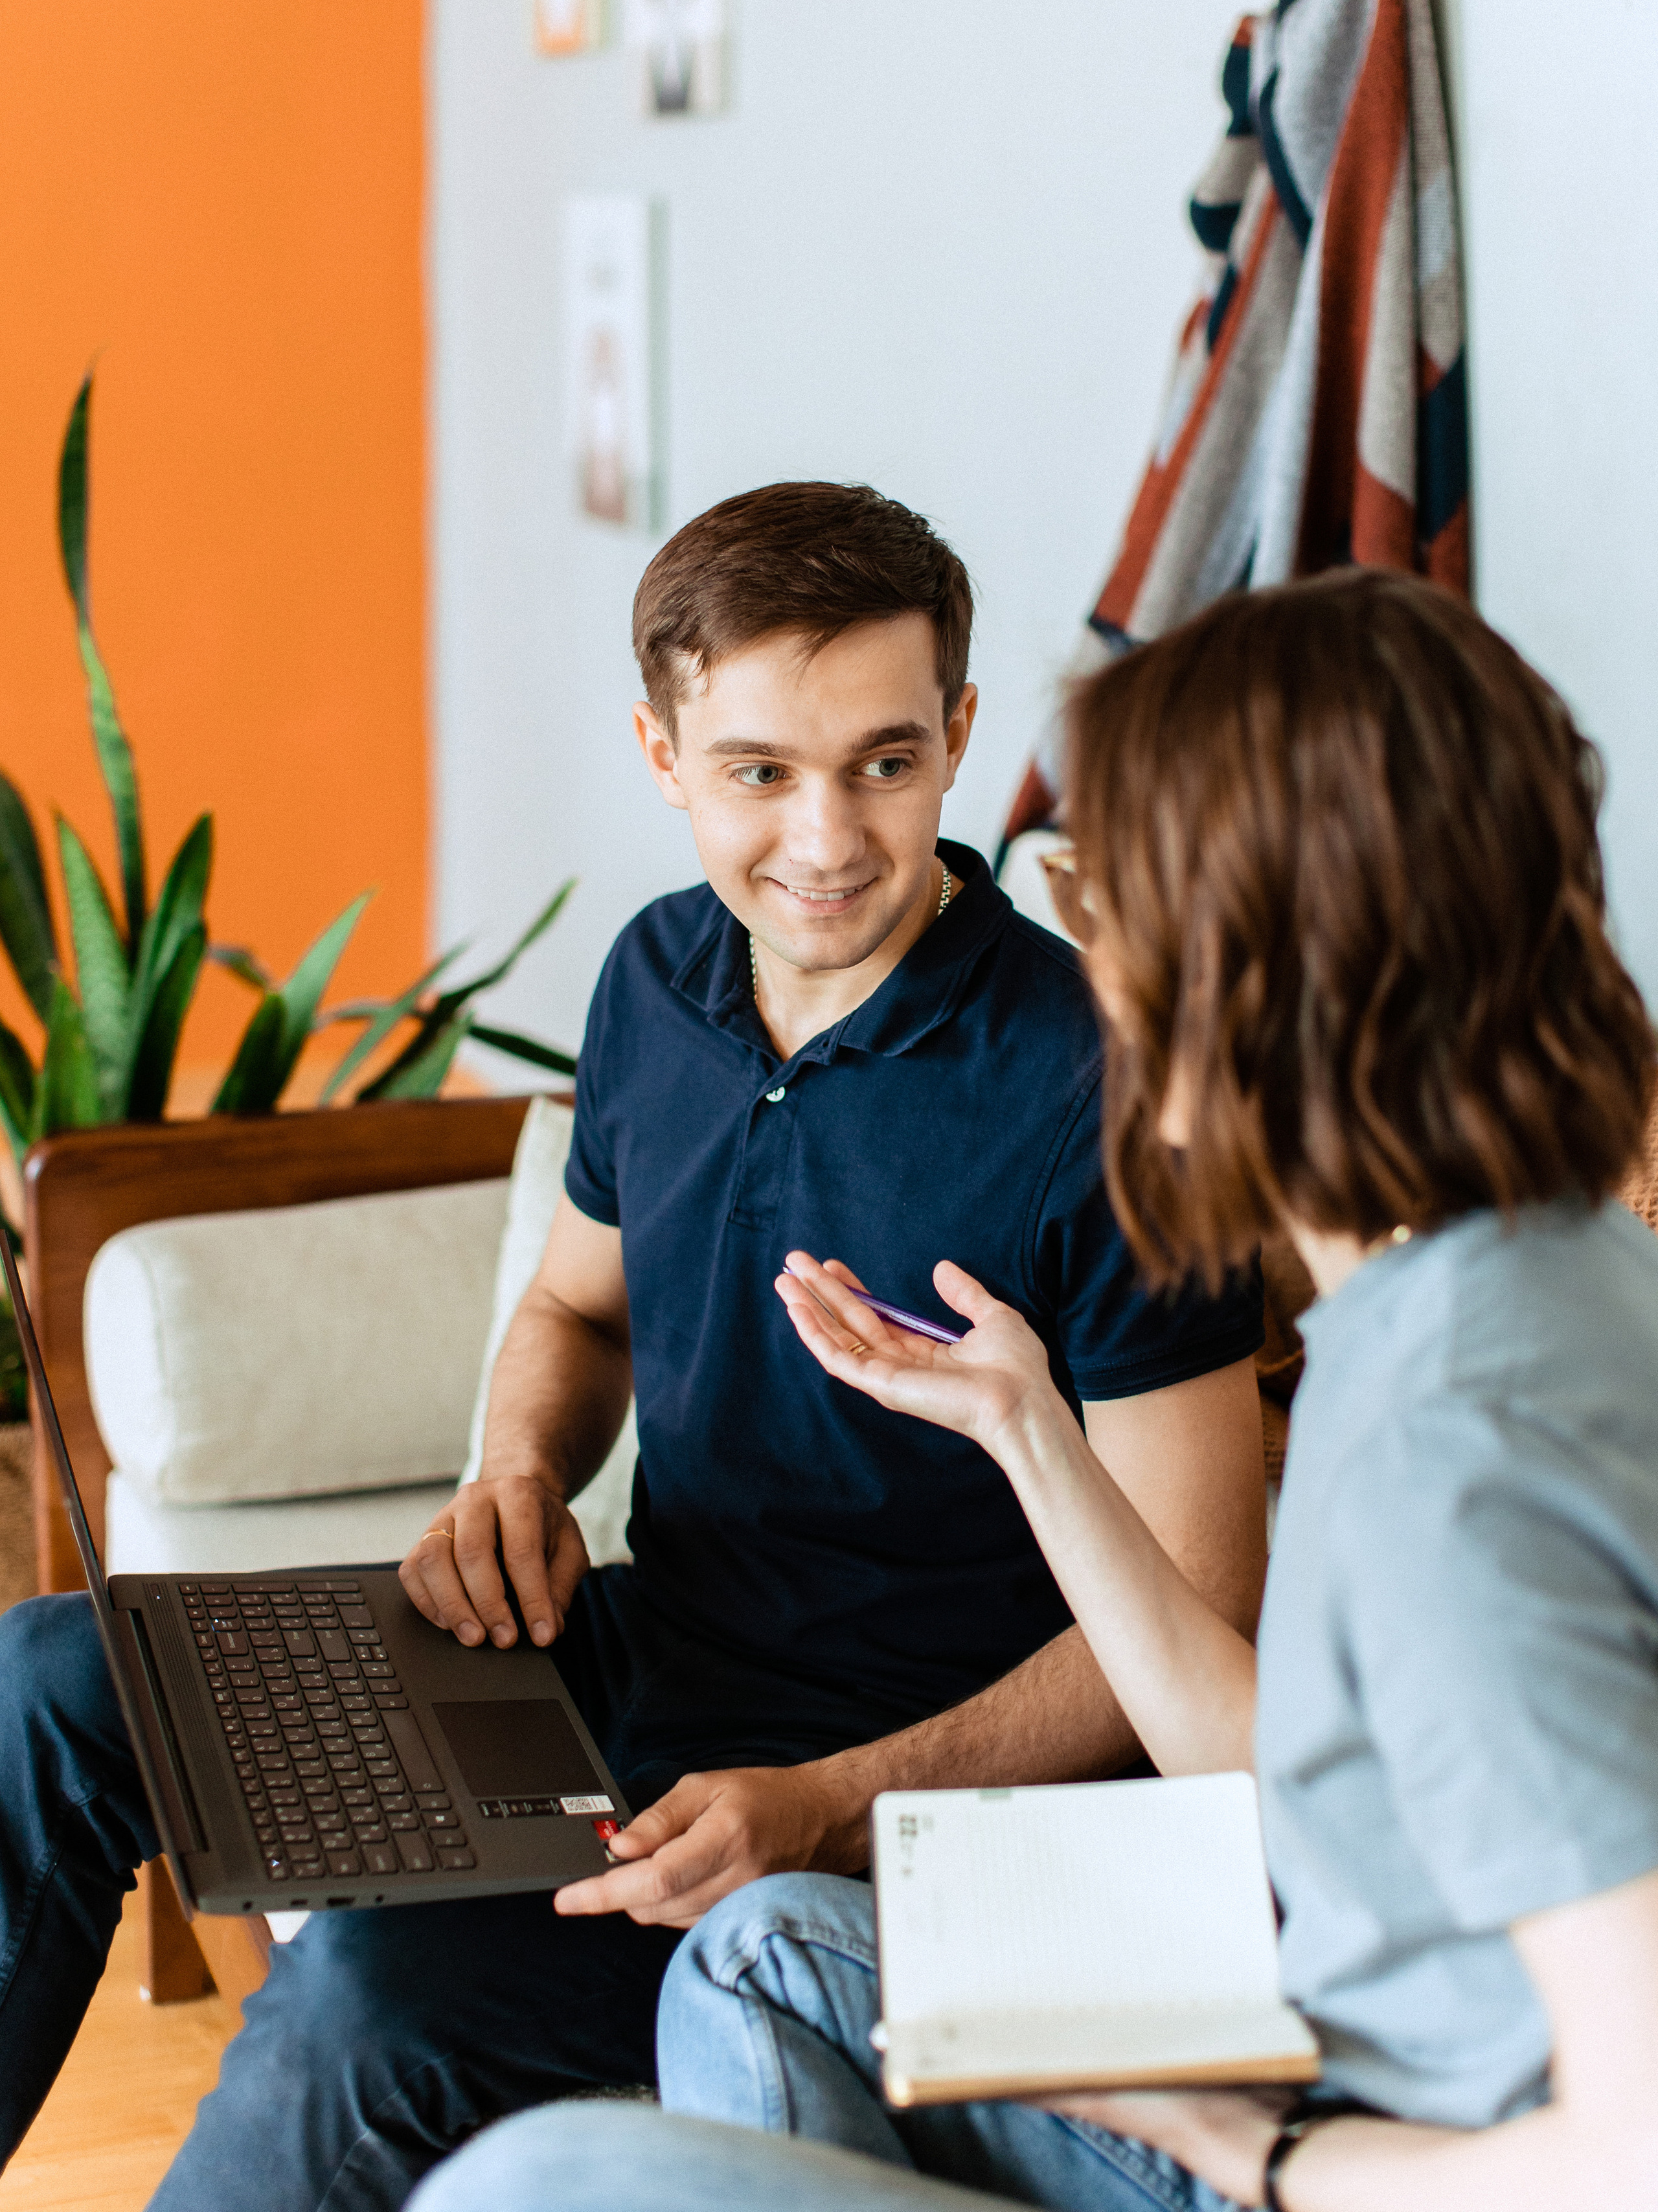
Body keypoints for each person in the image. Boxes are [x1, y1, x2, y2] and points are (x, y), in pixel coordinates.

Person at [0, 483, 1267, 2206]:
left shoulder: (1105, 1088)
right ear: (662, 751)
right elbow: (576, 1307)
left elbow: (1196, 1626)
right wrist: (516, 1464)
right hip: (626, 1673)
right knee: (54, 1685)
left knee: (372, 2002)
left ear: (960, 735)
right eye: (759, 773)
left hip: (904, 1818)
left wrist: (824, 1801)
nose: (825, 838)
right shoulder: (655, 978)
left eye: (885, 763)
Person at [405, 571, 1658, 2212]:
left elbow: (1631, 2146)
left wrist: (1272, 2155)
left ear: (1256, 968)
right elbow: (1273, 1762)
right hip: (1320, 2019)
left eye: (1113, 899)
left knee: (534, 2183)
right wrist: (1025, 1428)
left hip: (1370, 2136)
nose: (1095, 964)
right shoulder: (1513, 1274)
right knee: (764, 1952)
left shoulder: (1454, 1455)